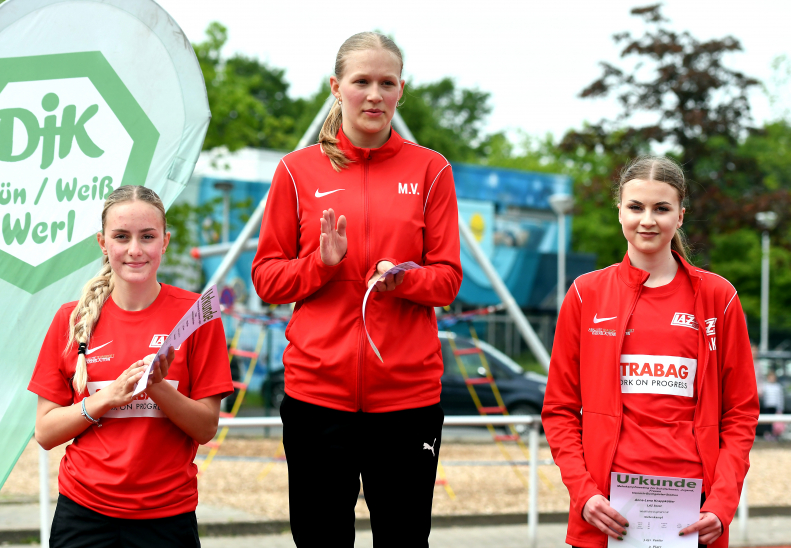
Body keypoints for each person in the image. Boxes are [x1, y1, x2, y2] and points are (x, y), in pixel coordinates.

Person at [251, 32, 462, 547]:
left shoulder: (431, 169)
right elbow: (267, 278)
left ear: (401, 91)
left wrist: (403, 279)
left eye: (386, 83)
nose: (374, 94)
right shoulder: (295, 171)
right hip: (317, 397)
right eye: (361, 81)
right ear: (336, 87)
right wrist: (321, 265)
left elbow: (449, 280)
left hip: (407, 401)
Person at [542, 156, 759, 548]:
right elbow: (558, 410)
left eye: (661, 208)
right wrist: (584, 493)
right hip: (605, 515)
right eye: (636, 207)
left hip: (695, 516)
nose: (647, 220)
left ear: (680, 216)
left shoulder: (719, 297)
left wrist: (723, 504)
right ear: (619, 211)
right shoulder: (585, 294)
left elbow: (741, 413)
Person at [28, 185, 233, 548]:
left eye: (148, 236)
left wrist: (156, 387)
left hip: (168, 517)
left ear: (165, 241)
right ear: (102, 243)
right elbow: (45, 432)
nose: (135, 250)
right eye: (121, 237)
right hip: (83, 514)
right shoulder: (71, 319)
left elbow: (205, 428)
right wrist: (108, 397)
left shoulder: (197, 315)